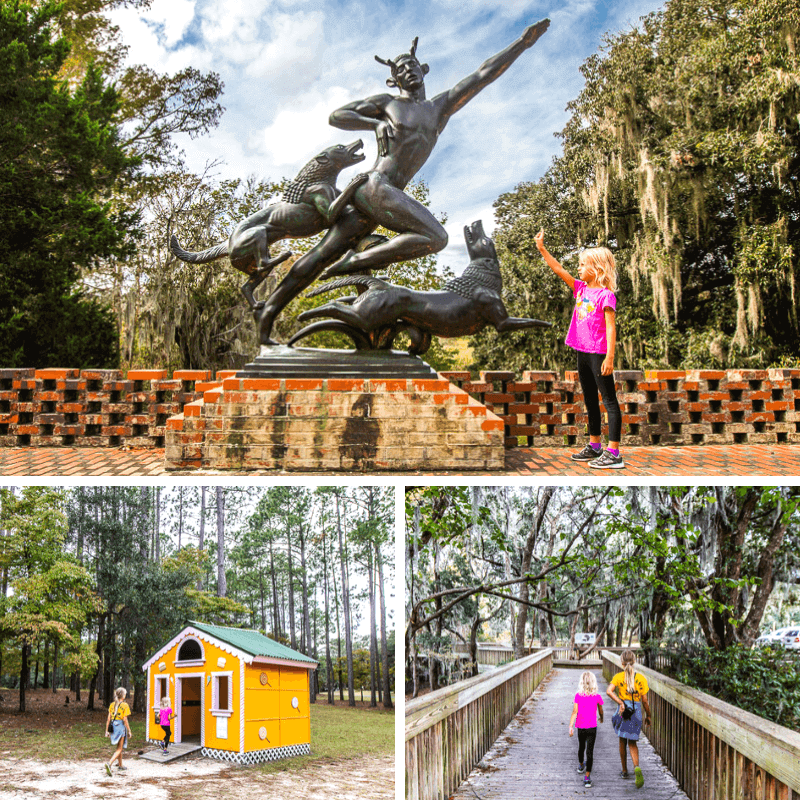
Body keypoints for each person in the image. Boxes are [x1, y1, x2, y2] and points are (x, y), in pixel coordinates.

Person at [256, 20, 550, 344]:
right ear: (393, 80)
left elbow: (483, 75)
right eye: (400, 70)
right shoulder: (388, 103)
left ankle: (266, 316)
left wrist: (523, 42)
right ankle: (355, 262)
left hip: (380, 200)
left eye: (411, 65)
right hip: (374, 185)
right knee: (435, 237)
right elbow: (337, 116)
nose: (407, 71)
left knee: (318, 257)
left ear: (423, 69)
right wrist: (373, 123)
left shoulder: (439, 108)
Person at [534, 230, 624, 468]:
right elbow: (558, 269)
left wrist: (610, 357)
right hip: (582, 352)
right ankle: (595, 446)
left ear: (597, 269)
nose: (579, 268)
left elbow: (611, 327)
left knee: (609, 401)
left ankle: (614, 452)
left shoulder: (606, 296)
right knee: (590, 400)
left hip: (598, 353)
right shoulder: (581, 290)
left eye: (584, 264)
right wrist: (542, 249)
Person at [606, 650, 652, 788]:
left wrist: (620, 703)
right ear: (634, 661)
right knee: (632, 742)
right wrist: (648, 715)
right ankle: (636, 767)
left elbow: (609, 691)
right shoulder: (641, 678)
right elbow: (645, 701)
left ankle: (625, 771)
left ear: (621, 662)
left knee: (622, 740)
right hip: (636, 711)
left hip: (624, 710)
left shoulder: (619, 677)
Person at [568, 670, 604, 788]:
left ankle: (580, 765)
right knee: (590, 751)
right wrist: (601, 718)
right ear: (593, 682)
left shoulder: (578, 696)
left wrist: (570, 726)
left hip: (581, 727)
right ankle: (587, 777)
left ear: (581, 683)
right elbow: (600, 710)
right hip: (592, 728)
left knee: (581, 747)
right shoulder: (597, 696)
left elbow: (574, 712)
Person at [104, 687, 133, 776]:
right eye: (125, 693)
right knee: (120, 748)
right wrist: (129, 730)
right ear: (123, 696)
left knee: (118, 747)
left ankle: (120, 765)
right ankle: (109, 764)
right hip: (120, 726)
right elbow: (125, 719)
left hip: (113, 726)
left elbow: (108, 718)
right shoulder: (125, 705)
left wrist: (106, 731)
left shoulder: (112, 704)